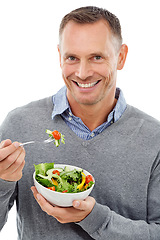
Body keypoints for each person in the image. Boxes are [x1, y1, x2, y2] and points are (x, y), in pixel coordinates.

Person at [0, 6, 160, 240]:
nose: (82, 73)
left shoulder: (154, 139)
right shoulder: (19, 125)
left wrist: (93, 218)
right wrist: (2, 181)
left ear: (121, 57)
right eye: (72, 58)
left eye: (97, 57)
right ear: (59, 56)